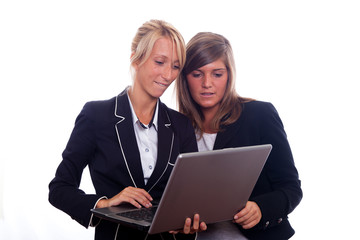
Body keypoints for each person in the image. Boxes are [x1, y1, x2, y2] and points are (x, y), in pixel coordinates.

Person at [49, 20, 206, 240]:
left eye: (175, 66)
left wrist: (190, 220)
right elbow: (59, 188)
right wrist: (104, 204)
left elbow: (193, 196)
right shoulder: (96, 115)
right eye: (160, 62)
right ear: (136, 58)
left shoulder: (181, 124)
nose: (168, 75)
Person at [176, 32, 302, 240]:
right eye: (197, 74)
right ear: (185, 78)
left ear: (229, 75)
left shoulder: (259, 115)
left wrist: (260, 208)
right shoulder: (176, 128)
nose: (207, 83)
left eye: (217, 74)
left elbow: (291, 188)